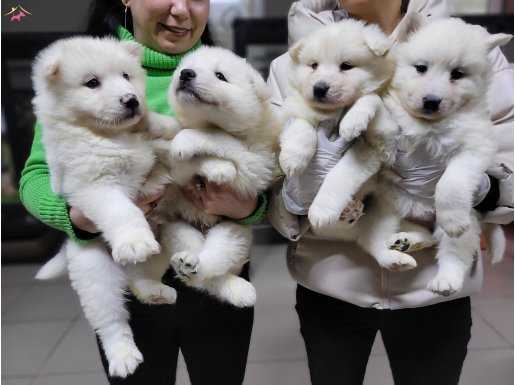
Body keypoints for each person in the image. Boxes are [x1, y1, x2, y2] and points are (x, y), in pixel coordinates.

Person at [19, 1, 268, 384]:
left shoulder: (226, 68)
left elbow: (264, 155)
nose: (181, 10)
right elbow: (36, 176)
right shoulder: (85, 67)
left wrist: (251, 205)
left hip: (215, 264)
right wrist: (76, 218)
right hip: (127, 272)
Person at [267, 0, 514, 384]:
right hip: (331, 282)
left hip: (433, 290)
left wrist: (481, 188)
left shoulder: (470, 46)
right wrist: (295, 195)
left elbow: (508, 156)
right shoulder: (291, 63)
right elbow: (266, 185)